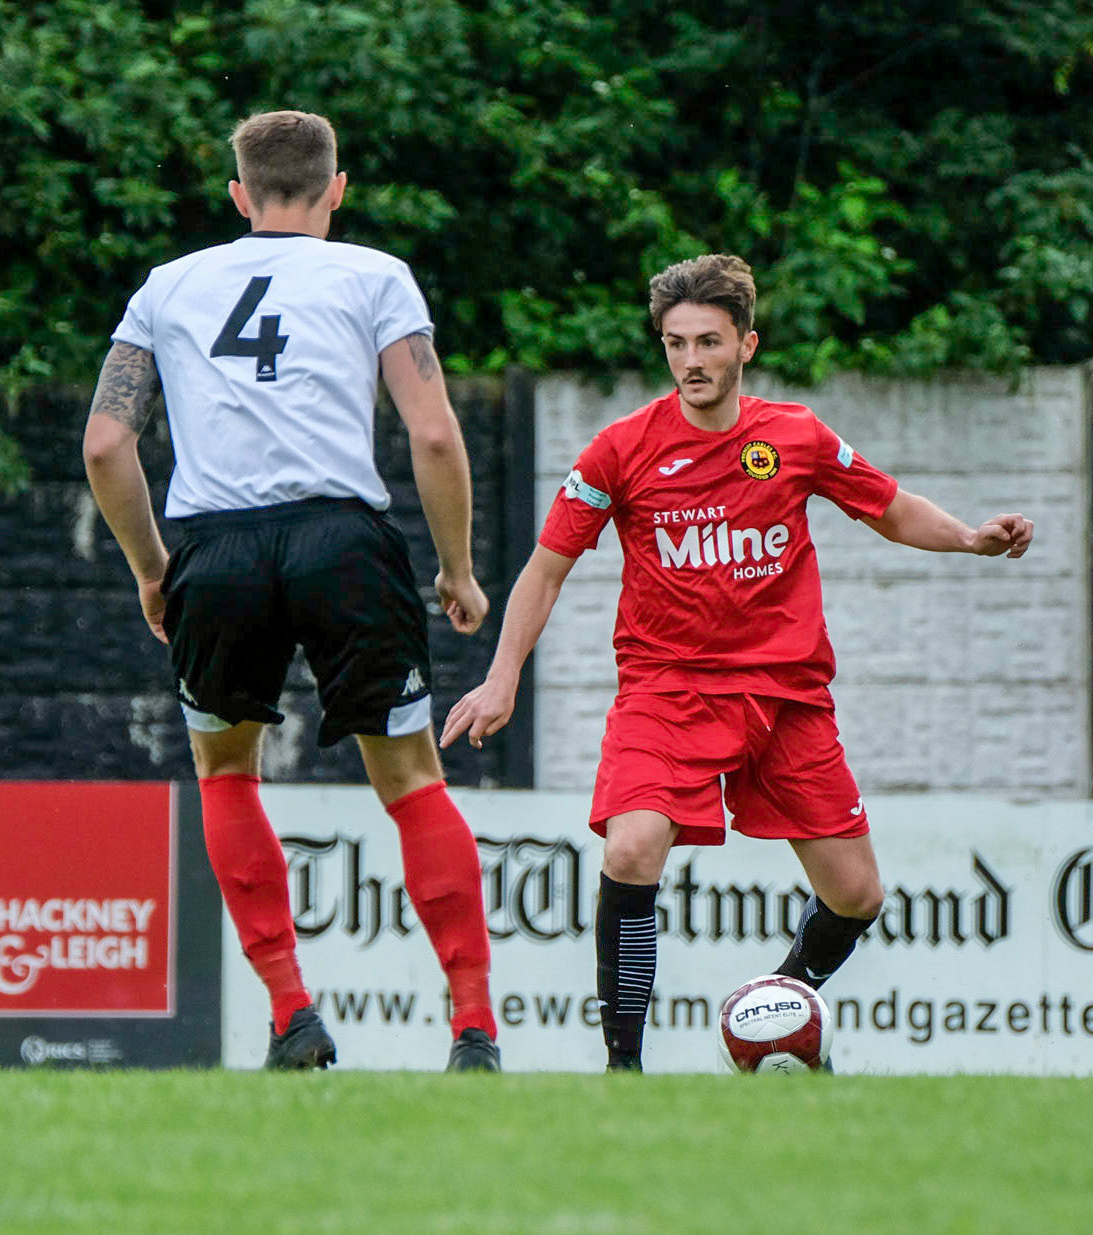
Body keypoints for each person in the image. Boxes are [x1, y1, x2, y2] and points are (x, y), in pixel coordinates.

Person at [441, 254, 1033, 1072]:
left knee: (856, 894)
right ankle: (623, 1070)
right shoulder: (619, 451)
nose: (690, 361)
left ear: (745, 344)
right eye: (675, 343)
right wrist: (502, 674)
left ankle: (771, 1013)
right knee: (629, 848)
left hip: (786, 696)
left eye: (708, 342)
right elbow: (545, 566)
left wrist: (969, 536)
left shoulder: (795, 436)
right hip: (666, 690)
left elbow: (891, 509)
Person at [83, 109, 500, 1072]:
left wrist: (155, 570)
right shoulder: (374, 276)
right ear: (336, 190)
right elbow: (433, 435)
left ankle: (290, 1014)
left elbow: (107, 443)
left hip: (216, 551)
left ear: (238, 196)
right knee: (408, 783)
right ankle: (472, 1028)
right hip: (343, 542)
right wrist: (455, 568)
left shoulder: (167, 286)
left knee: (228, 773)